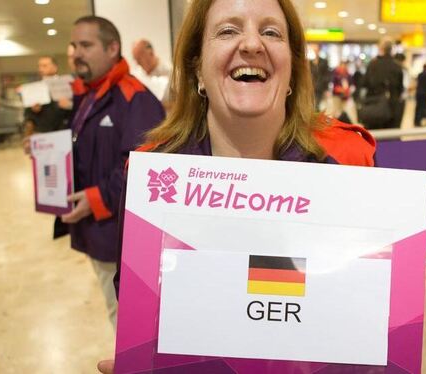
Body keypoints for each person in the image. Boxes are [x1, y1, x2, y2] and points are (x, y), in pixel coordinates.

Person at [98, 0, 375, 371]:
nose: (251, 44)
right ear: (196, 67)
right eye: (228, 30)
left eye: (271, 32)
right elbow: (140, 308)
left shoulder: (350, 165)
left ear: (292, 69)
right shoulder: (153, 182)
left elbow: (364, 312)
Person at [61, 15, 165, 328]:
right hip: (94, 230)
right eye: (74, 45)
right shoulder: (88, 95)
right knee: (114, 311)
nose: (76, 52)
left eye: (86, 45)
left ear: (112, 48)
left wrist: (94, 199)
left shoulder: (136, 99)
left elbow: (143, 173)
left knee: (125, 321)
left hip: (119, 238)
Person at [22, 56, 73, 154]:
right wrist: (33, 110)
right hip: (43, 136)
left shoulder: (66, 84)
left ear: (55, 67)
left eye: (45, 65)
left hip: (64, 133)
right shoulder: (33, 88)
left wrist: (69, 105)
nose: (41, 69)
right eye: (39, 66)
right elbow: (28, 118)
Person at [362, 37, 404, 129]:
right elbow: (400, 88)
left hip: (374, 106)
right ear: (391, 49)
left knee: (374, 136)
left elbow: (365, 84)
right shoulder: (397, 66)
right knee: (390, 136)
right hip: (392, 106)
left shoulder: (373, 64)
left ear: (381, 49)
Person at [131, 39, 172, 109]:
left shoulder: (171, 73)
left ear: (151, 53)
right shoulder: (136, 75)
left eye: (139, 58)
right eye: (135, 59)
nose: (137, 63)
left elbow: (179, 104)